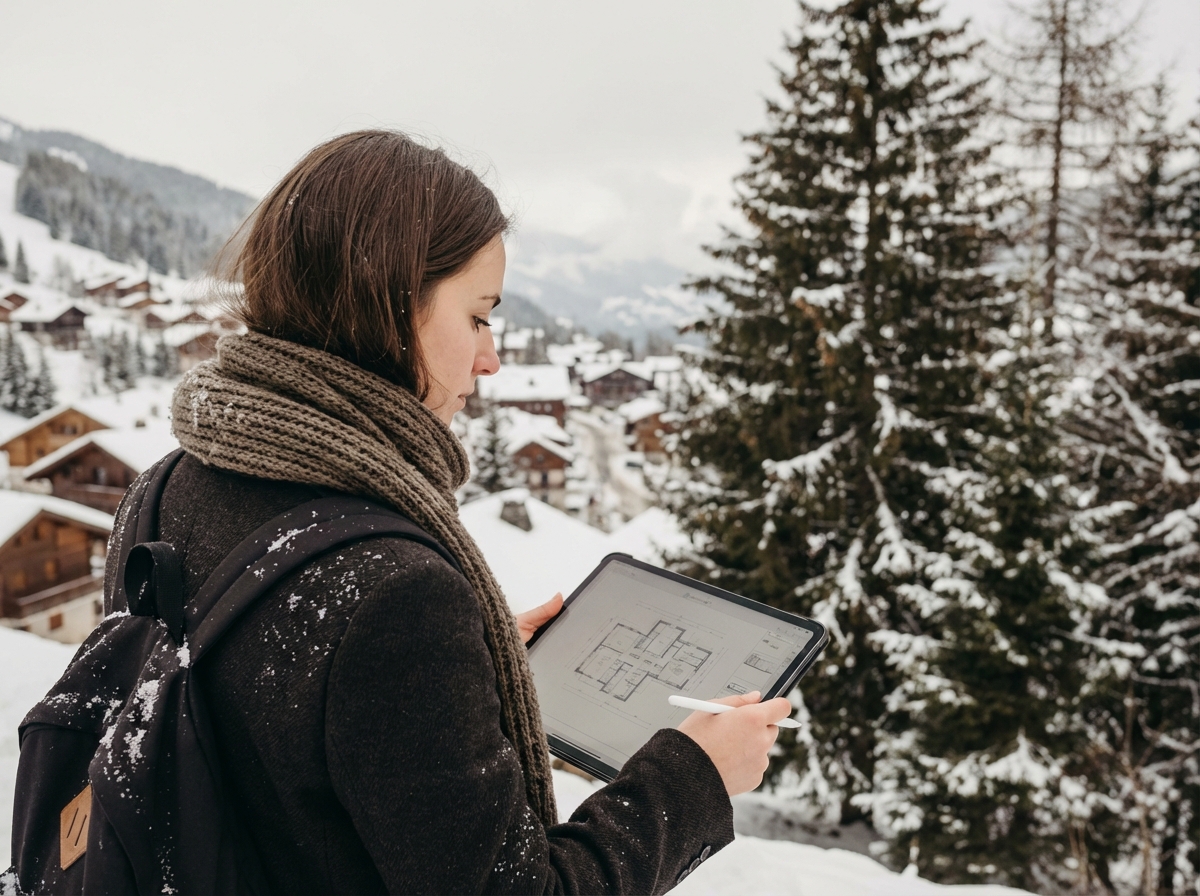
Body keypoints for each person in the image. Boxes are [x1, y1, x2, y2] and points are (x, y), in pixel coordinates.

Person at [122, 129, 791, 894]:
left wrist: (463, 674)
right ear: (388, 305)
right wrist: (694, 778)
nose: (491, 358)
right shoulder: (395, 593)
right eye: (478, 317)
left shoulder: (166, 488)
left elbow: (272, 728)